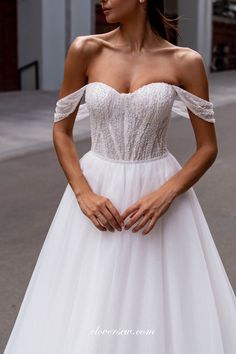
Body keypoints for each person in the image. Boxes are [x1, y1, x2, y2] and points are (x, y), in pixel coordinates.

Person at [3, 0, 236, 353]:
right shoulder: (86, 50)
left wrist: (168, 192)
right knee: (89, 299)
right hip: (97, 189)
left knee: (159, 302)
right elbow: (61, 131)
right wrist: (83, 194)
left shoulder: (185, 61)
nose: (102, 1)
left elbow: (207, 147)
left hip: (159, 193)